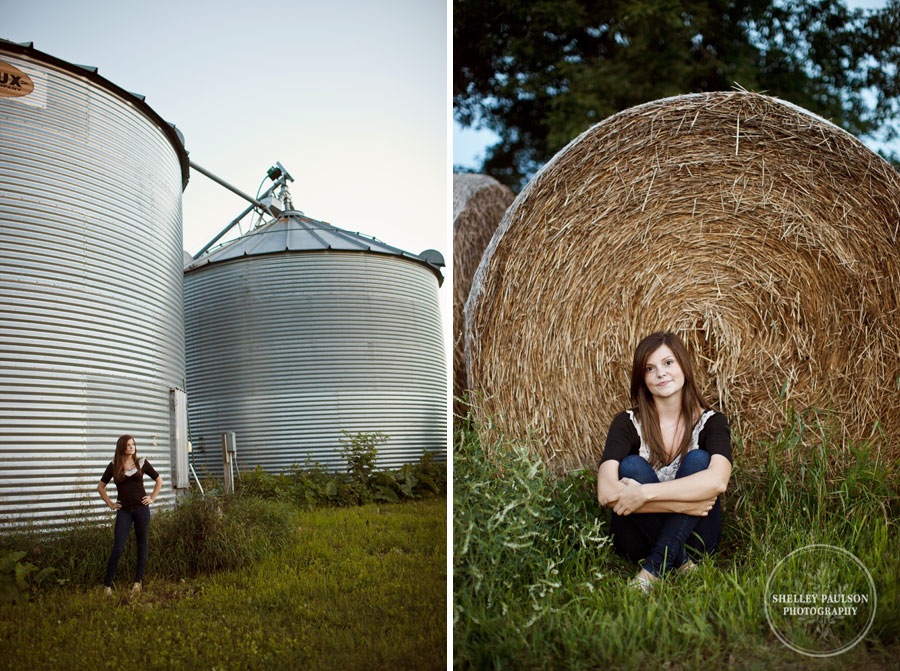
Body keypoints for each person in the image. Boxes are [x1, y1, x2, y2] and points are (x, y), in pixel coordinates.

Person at [596, 331, 732, 592]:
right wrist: (688, 504)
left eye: (668, 363)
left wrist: (643, 494)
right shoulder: (626, 423)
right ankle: (683, 564)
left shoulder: (713, 422)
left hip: (699, 539)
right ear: (642, 378)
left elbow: (718, 480)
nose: (661, 373)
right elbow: (606, 492)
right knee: (631, 466)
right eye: (650, 368)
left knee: (699, 460)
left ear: (683, 365)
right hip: (636, 542)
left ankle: (651, 572)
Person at [97, 434, 163, 595]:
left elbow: (159, 480)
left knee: (142, 544)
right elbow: (100, 487)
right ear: (121, 447)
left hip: (141, 509)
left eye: (133, 444)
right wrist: (111, 504)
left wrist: (152, 498)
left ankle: (137, 582)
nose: (131, 447)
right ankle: (107, 586)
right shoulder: (113, 466)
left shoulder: (142, 462)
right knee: (118, 547)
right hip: (124, 511)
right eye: (128, 445)